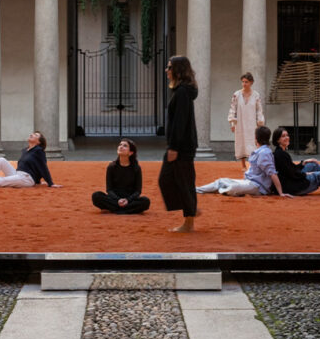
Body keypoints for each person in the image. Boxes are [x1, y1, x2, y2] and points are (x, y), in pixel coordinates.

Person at [157, 55, 200, 232]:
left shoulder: (182, 92)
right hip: (180, 145)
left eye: (169, 67)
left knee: (183, 182)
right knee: (169, 180)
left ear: (178, 70)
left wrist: (174, 147)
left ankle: (189, 221)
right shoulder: (181, 90)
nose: (167, 70)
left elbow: (180, 122)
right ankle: (191, 208)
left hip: (182, 146)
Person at [198, 125, 287, 197]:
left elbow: (272, 174)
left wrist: (280, 193)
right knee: (221, 180)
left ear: (256, 137)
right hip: (249, 182)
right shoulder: (261, 151)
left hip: (258, 187)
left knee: (233, 187)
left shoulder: (264, 152)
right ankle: (198, 189)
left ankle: (226, 190)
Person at [92, 138, 150, 214]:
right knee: (96, 196)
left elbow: (137, 191)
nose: (121, 147)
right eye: (120, 145)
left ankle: (116, 209)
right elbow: (109, 189)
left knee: (145, 201)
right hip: (114, 198)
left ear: (131, 152)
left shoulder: (136, 168)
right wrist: (118, 200)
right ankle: (126, 210)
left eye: (125, 146)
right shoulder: (111, 167)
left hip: (129, 199)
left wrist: (127, 200)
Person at [228, 72, 267, 169]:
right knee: (241, 142)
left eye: (246, 82)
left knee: (252, 142)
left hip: (251, 122)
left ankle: (252, 165)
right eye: (243, 82)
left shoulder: (256, 95)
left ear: (251, 82)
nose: (244, 84)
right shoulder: (236, 95)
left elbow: (259, 109)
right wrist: (232, 123)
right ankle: (243, 164)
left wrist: (260, 123)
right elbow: (233, 109)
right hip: (240, 122)